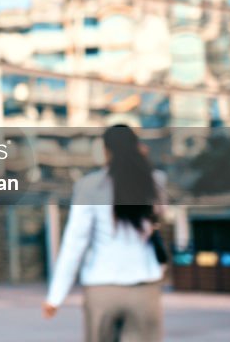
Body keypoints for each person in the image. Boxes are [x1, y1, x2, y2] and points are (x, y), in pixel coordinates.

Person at [42, 125, 167, 342]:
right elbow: (159, 217)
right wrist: (143, 161)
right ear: (138, 147)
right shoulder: (155, 181)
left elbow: (75, 243)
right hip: (144, 287)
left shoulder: (89, 186)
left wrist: (55, 296)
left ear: (106, 150)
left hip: (101, 287)